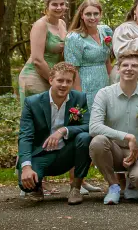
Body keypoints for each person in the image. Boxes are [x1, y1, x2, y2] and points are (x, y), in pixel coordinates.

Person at [17, 62, 90, 205]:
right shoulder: (32, 103)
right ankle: (37, 186)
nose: (64, 85)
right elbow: (25, 136)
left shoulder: (79, 98)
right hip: (41, 154)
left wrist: (63, 131)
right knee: (26, 184)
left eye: (68, 81)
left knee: (85, 138)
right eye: (60, 80)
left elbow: (88, 126)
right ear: (51, 80)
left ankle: (76, 187)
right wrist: (26, 167)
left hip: (66, 153)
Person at [89, 52, 138, 204]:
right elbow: (94, 127)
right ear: (118, 69)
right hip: (114, 150)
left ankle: (132, 184)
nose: (129, 69)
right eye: (125, 65)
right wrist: (126, 137)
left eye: (134, 66)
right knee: (98, 142)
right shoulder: (104, 94)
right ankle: (113, 186)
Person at [18, 0, 70, 98]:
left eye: (62, 4)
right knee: (40, 109)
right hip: (35, 77)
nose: (59, 7)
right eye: (54, 4)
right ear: (47, 6)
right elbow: (37, 60)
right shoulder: (41, 25)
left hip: (53, 77)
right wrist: (53, 80)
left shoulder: (62, 23)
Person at [65, 0, 114, 94]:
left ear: (101, 14)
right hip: (85, 86)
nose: (92, 17)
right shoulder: (74, 37)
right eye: (88, 14)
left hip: (105, 84)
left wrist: (112, 84)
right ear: (82, 15)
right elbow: (73, 69)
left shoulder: (105, 31)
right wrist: (79, 95)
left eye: (96, 14)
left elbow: (107, 60)